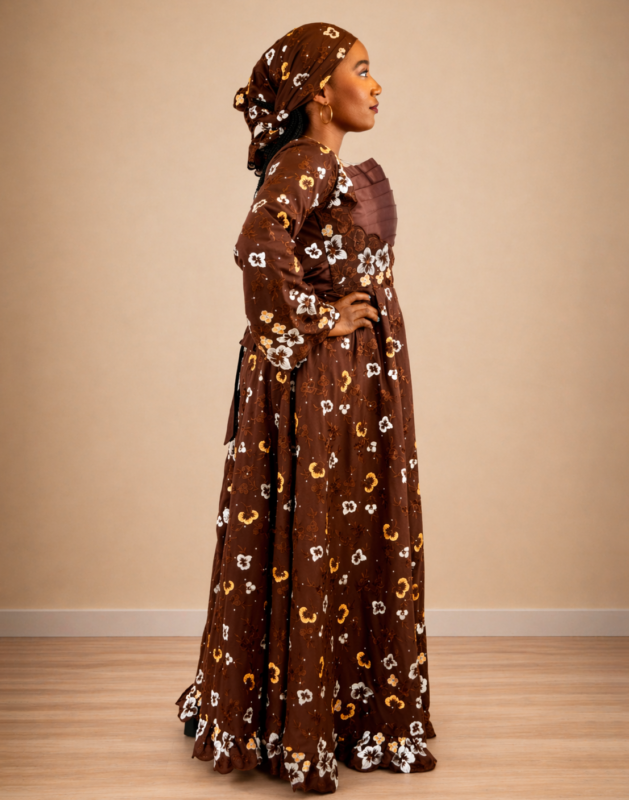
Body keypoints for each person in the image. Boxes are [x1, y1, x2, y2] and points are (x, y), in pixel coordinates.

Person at [175, 21, 437, 793]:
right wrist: (320, 320)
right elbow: (258, 244)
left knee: (341, 535)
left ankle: (325, 708)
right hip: (322, 382)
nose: (376, 84)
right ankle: (307, 721)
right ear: (321, 89)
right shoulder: (306, 162)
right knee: (325, 531)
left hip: (349, 385)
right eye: (362, 68)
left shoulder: (321, 166)